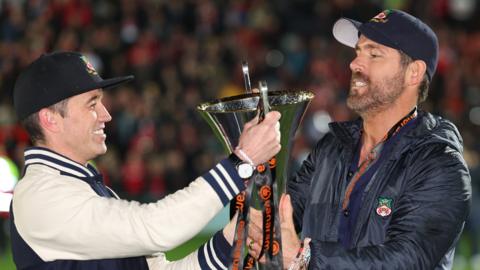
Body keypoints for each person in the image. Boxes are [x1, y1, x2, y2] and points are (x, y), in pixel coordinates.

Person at [10, 51, 281, 270]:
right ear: (50, 119)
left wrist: (233, 235)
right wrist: (242, 161)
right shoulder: (41, 195)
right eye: (92, 104)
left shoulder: (85, 189)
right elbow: (156, 227)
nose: (106, 115)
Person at [247, 9, 471, 269]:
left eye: (374, 54)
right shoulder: (332, 148)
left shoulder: (439, 165)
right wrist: (257, 158)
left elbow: (408, 260)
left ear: (414, 73)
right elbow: (278, 216)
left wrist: (306, 257)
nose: (355, 64)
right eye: (358, 51)